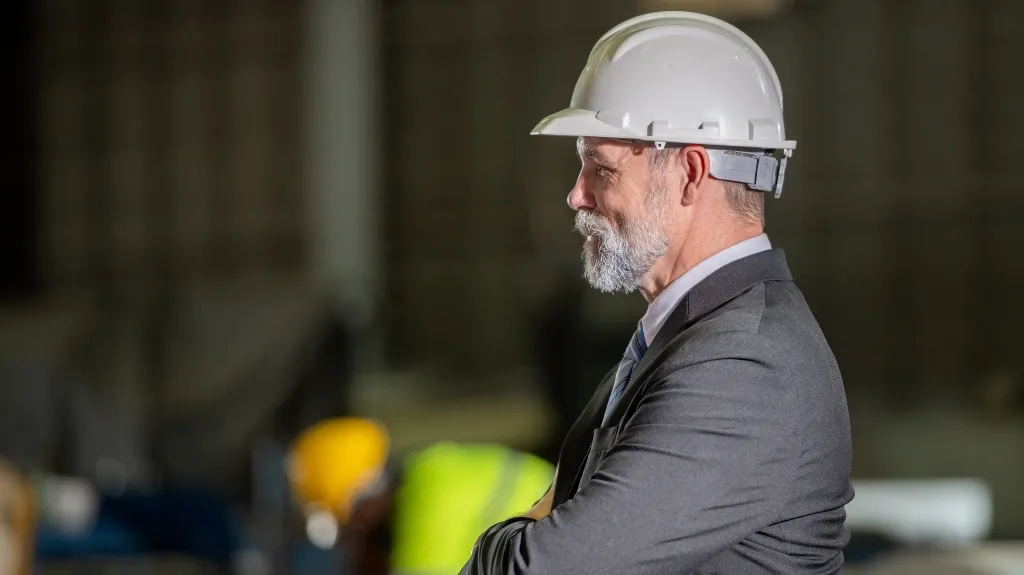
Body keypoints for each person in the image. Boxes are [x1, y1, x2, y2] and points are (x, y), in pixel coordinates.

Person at [459, 11, 853, 575]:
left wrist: (497, 542)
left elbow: (542, 567)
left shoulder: (744, 365)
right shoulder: (688, 340)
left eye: (601, 168)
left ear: (690, 174)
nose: (576, 196)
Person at [285, 417, 555, 574]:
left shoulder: (429, 499)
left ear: (362, 502)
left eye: (349, 526)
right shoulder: (430, 471)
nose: (353, 541)